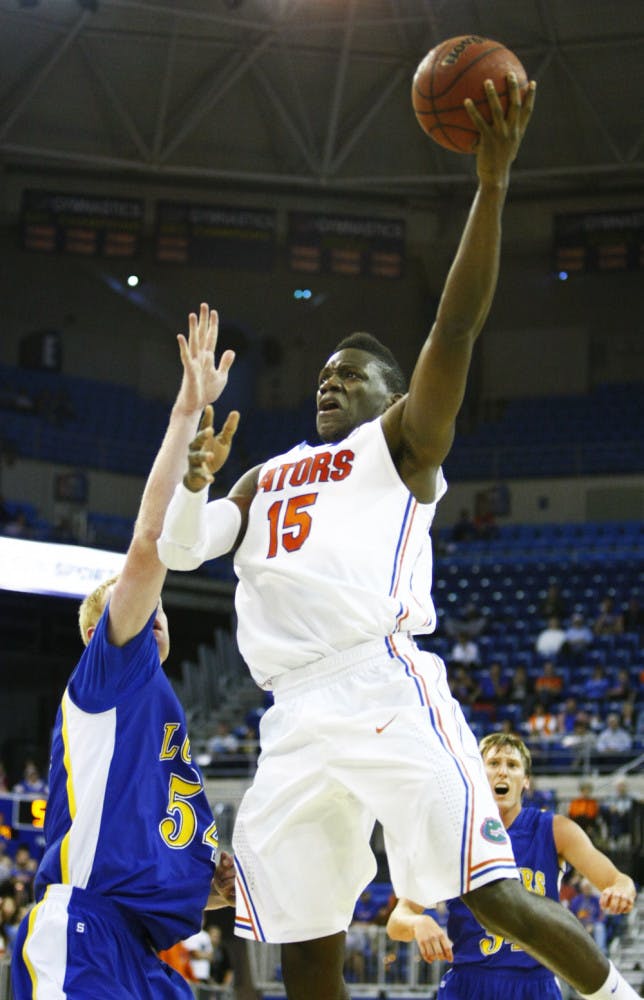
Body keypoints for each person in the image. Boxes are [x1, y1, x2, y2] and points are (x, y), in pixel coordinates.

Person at [157, 82, 637, 1000]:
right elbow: (183, 551)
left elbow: (456, 325)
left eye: (352, 374)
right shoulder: (264, 475)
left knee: (489, 894)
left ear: (392, 390)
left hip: (381, 686)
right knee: (304, 948)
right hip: (291, 715)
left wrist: (491, 187)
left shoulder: (402, 447)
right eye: (322, 376)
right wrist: (193, 483)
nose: (329, 384)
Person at [11, 305, 238, 1000]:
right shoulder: (110, 675)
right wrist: (184, 413)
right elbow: (148, 544)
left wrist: (213, 888)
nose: (155, 614)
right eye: (142, 609)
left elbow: (153, 872)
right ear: (98, 634)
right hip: (84, 931)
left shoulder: (156, 726)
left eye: (159, 609)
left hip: (140, 952)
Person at [386, 733, 636, 1000]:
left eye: (512, 765)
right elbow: (396, 921)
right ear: (476, 775)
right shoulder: (454, 833)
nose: (503, 772)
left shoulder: (554, 830)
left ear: (525, 781)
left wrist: (621, 889)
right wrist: (418, 922)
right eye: (493, 763)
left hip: (535, 984)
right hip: (468, 982)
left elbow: (619, 880)